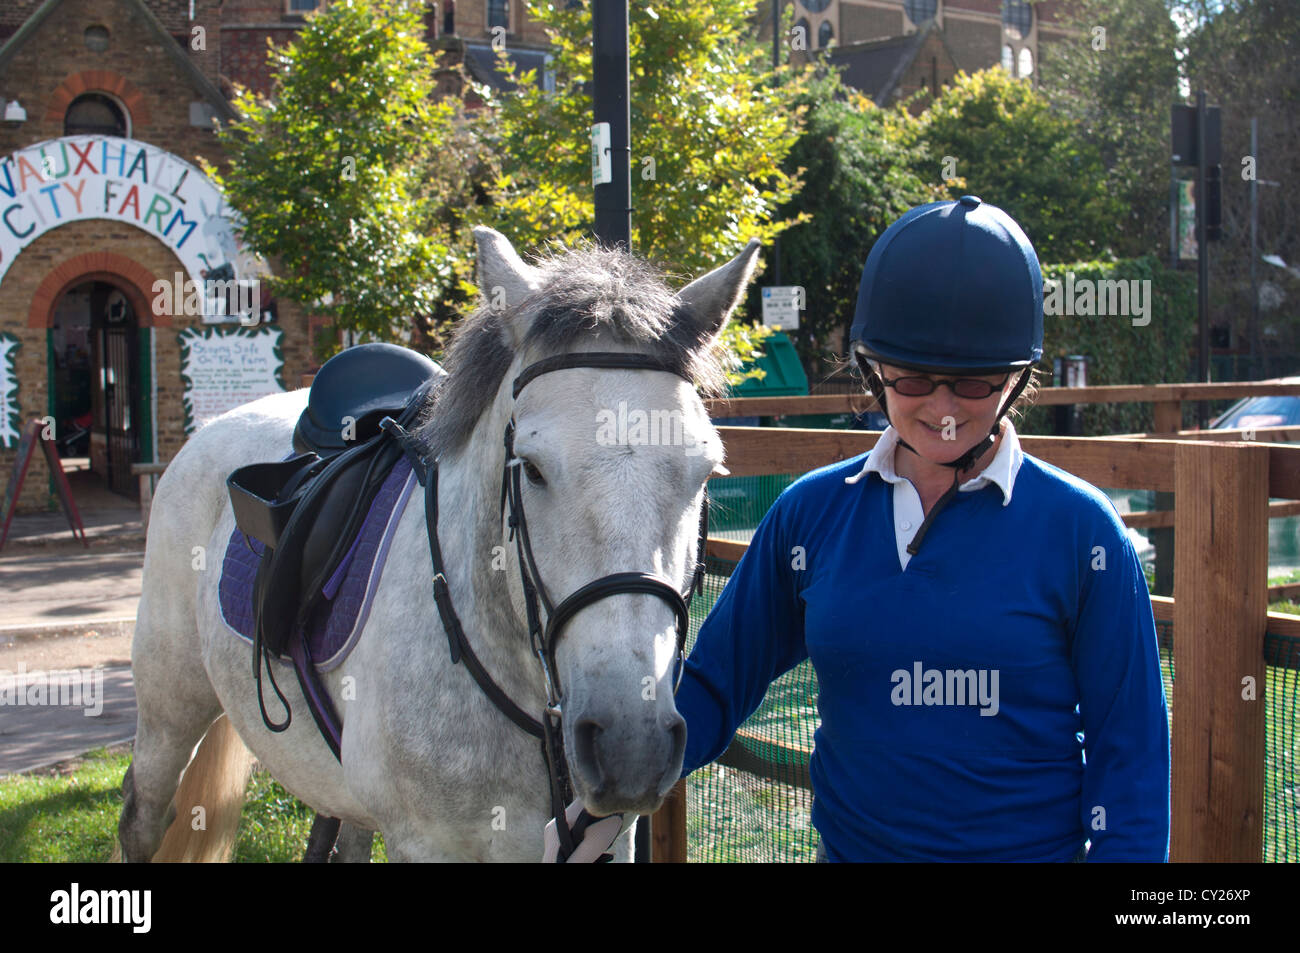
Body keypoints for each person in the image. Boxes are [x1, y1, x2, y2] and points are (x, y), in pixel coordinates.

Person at [545, 195, 1170, 862]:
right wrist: (600, 807)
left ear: (1018, 378)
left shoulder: (1083, 534)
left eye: (976, 385)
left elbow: (1128, 754)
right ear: (873, 367)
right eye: (914, 379)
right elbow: (715, 684)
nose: (944, 409)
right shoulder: (811, 515)